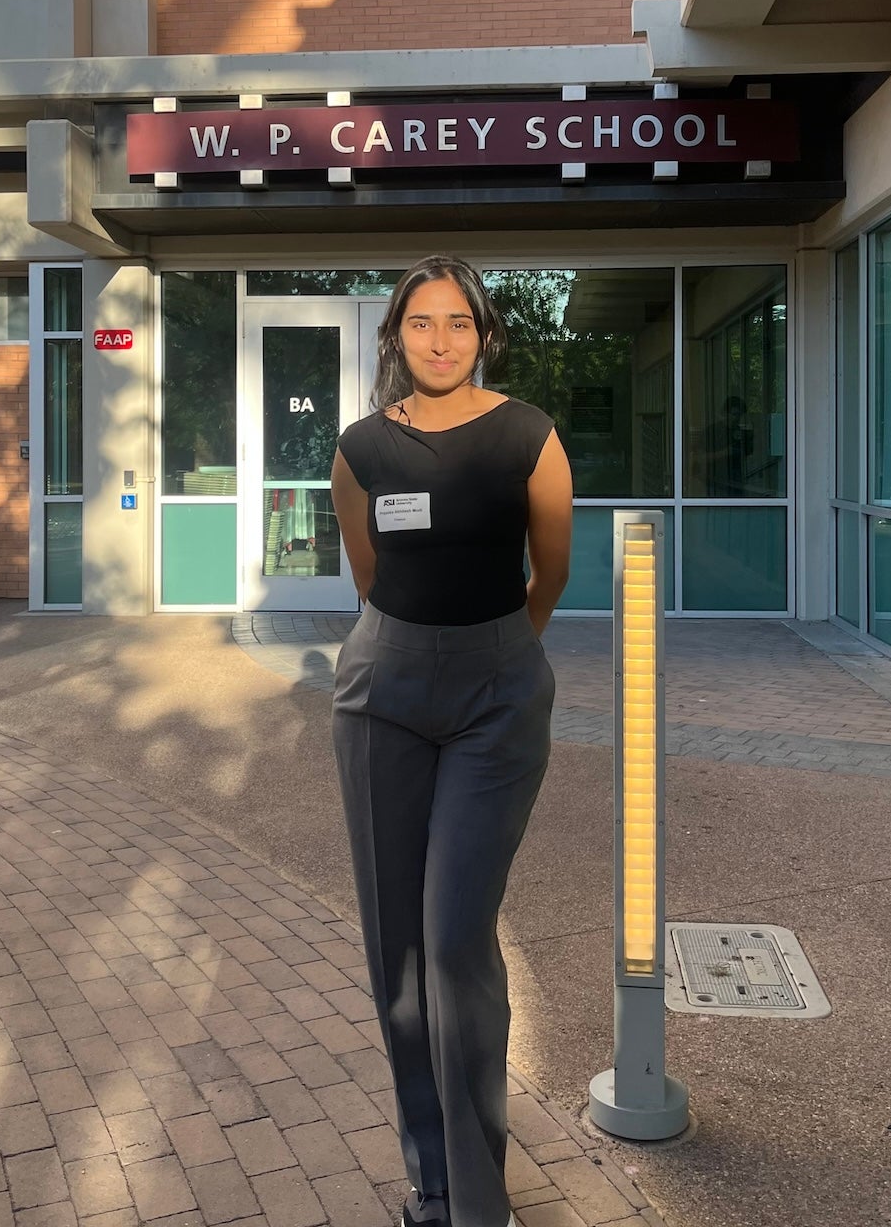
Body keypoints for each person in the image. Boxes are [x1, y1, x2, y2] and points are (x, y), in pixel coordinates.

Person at [330, 255, 572, 1227]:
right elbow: (367, 571)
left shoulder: (528, 435)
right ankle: (431, 1188)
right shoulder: (357, 449)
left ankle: (480, 1204)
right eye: (421, 323)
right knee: (396, 954)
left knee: (453, 939)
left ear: (483, 333)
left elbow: (548, 570)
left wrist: (497, 654)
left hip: (494, 695)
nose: (440, 340)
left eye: (458, 323)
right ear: (395, 336)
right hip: (380, 691)